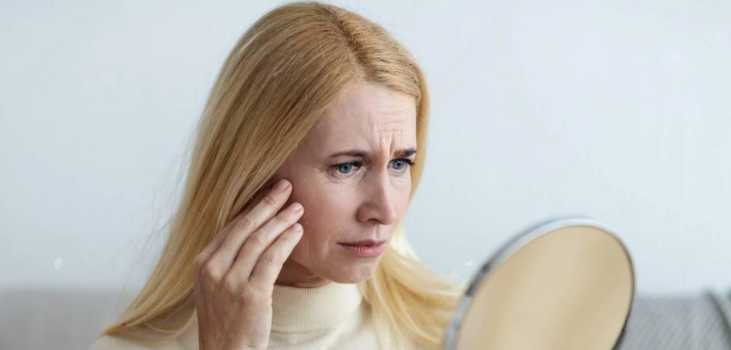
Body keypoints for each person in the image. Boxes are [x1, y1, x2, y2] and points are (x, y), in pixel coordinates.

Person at [89, 1, 465, 349]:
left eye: (400, 163)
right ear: (250, 173)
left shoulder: (459, 333)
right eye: (347, 166)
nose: (385, 211)